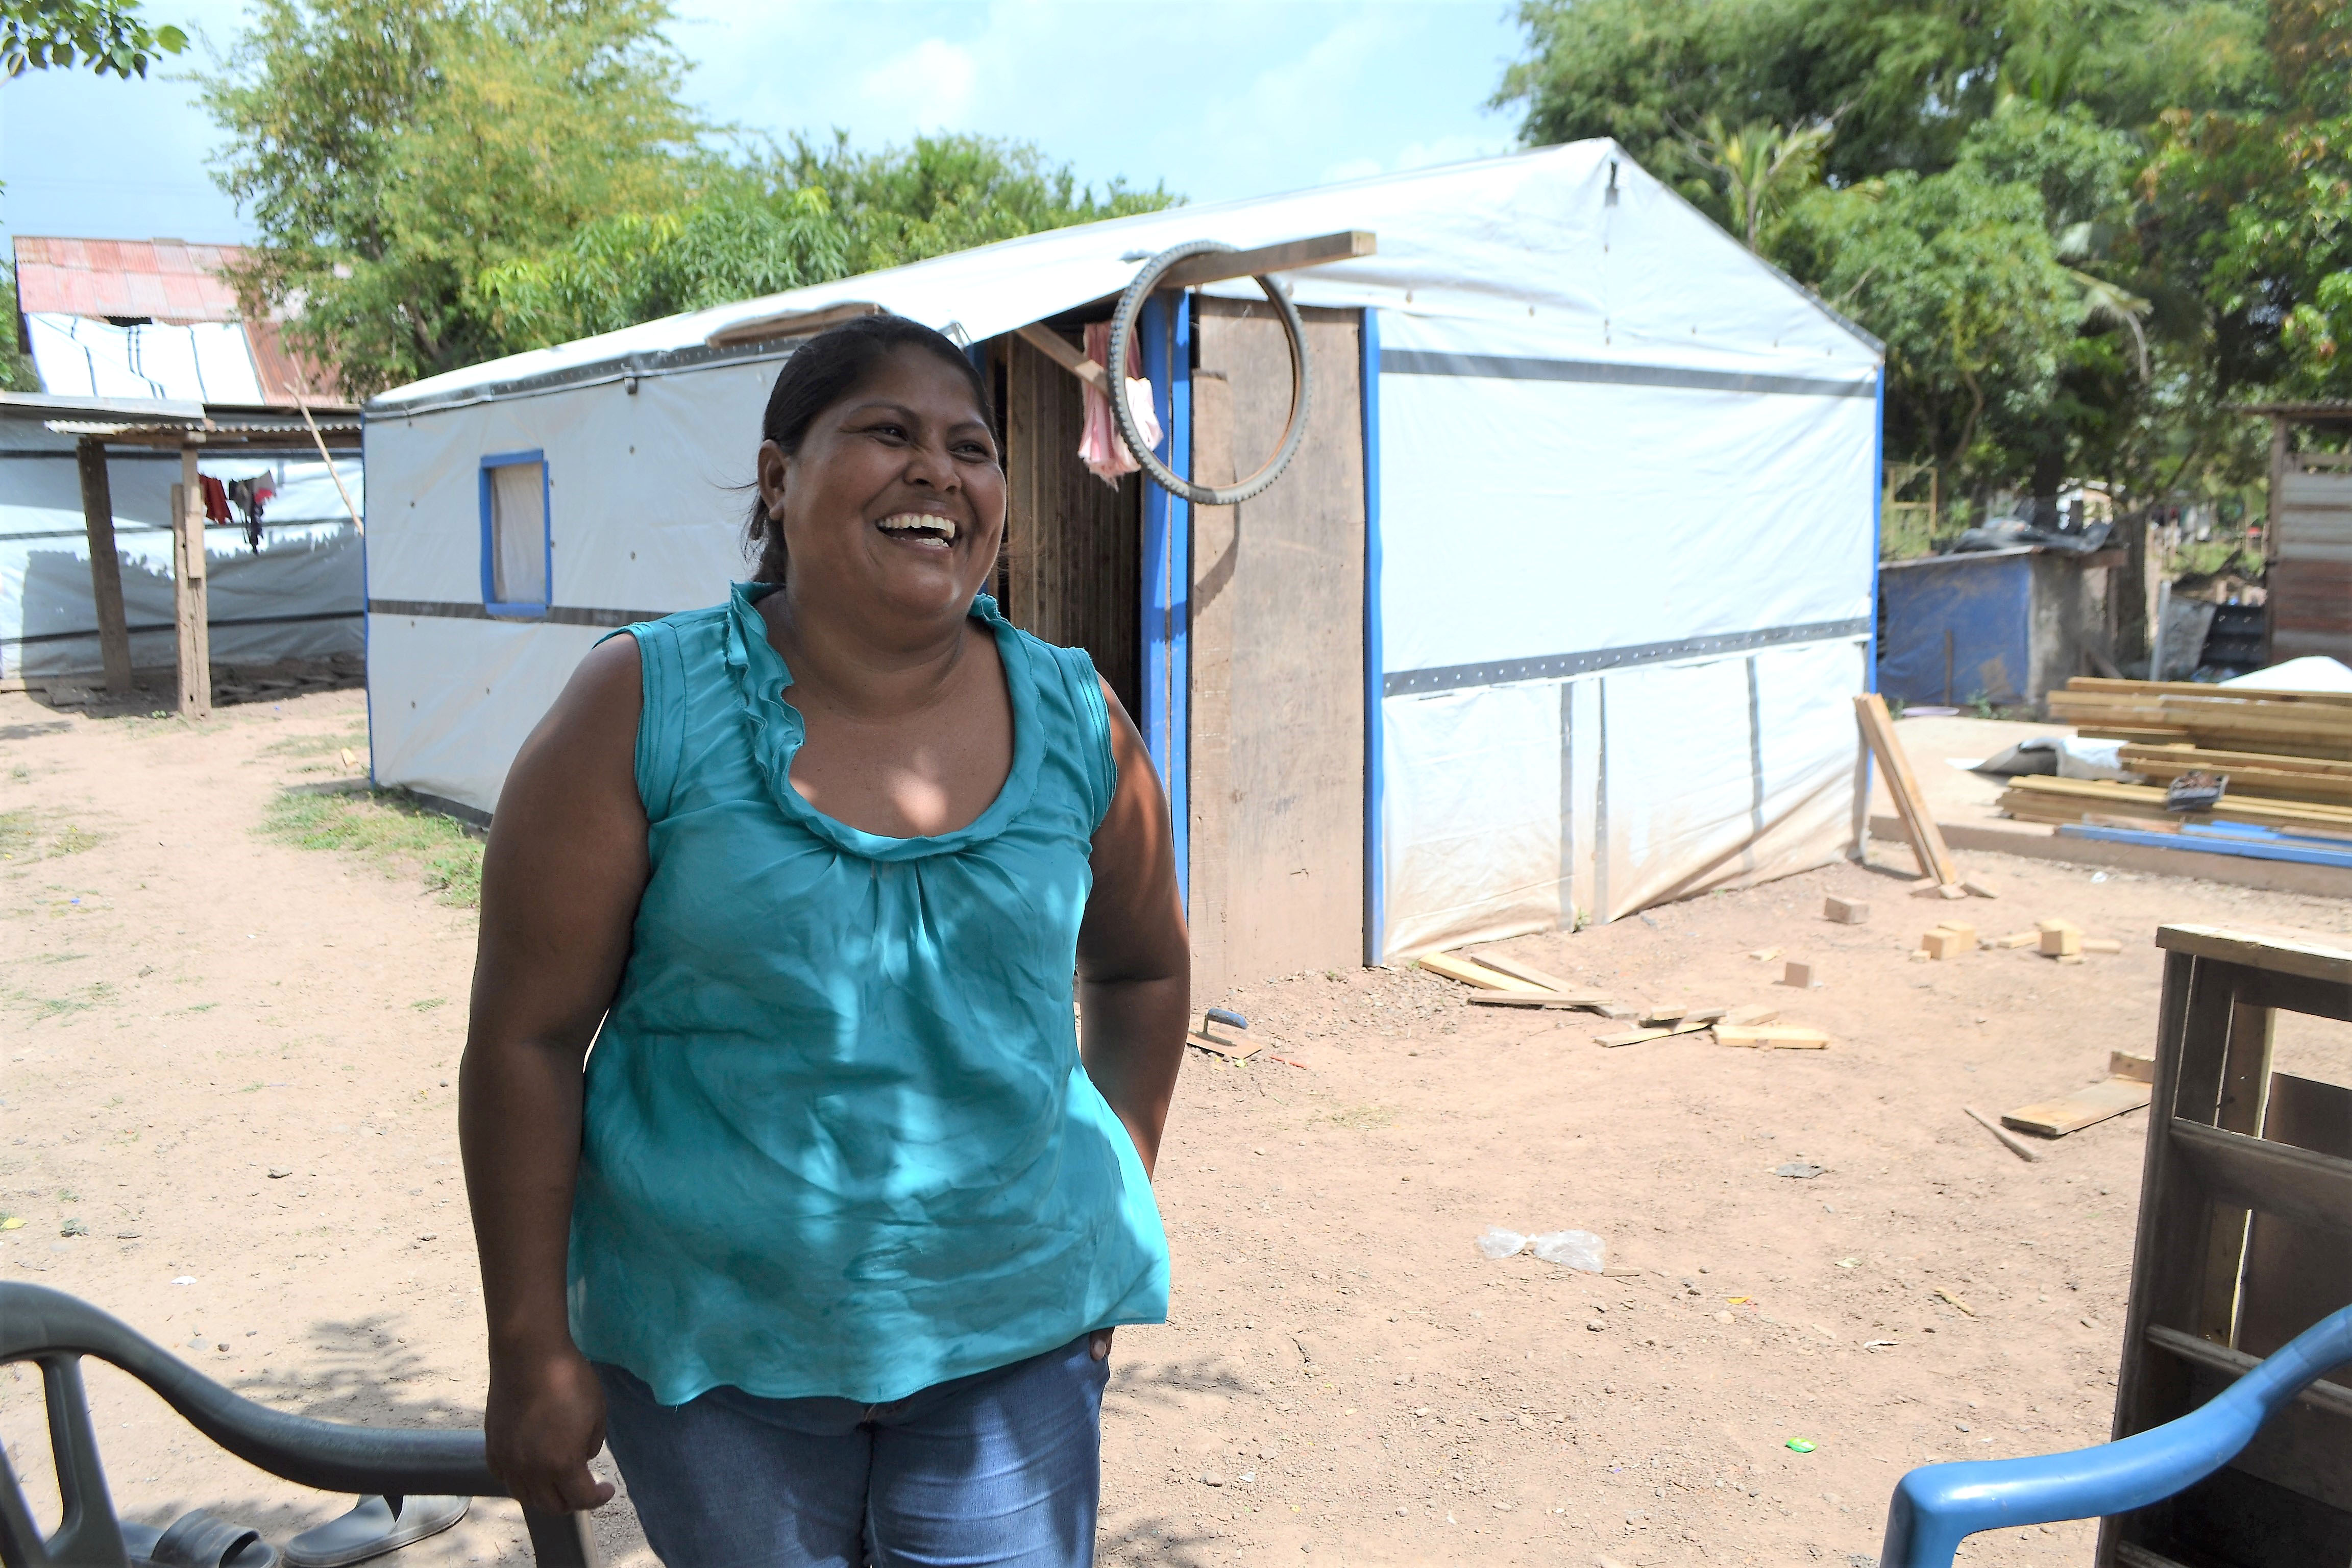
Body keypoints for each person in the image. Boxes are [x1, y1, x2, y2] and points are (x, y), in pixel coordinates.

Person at [458, 313, 1189, 1568]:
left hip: (1012, 1353)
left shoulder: (1080, 720)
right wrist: (528, 1345)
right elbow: (524, 1040)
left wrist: (1099, 1210)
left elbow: (1143, 968)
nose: (938, 472)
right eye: (886, 433)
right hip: (718, 1361)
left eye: (971, 446)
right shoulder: (642, 708)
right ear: (776, 476)